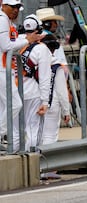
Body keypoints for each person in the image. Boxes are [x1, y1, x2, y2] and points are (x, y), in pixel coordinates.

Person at [0, 0, 44, 149]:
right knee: (15, 104)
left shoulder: (7, 21)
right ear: (3, 5)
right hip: (2, 69)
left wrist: (28, 39)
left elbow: (10, 42)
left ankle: (1, 137)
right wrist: (27, 40)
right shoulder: (2, 19)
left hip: (6, 69)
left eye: (18, 7)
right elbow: (6, 46)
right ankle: (1, 134)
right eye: (12, 6)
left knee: (5, 106)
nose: (16, 10)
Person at [14, 14, 52, 152]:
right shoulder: (42, 49)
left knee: (15, 133)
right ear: (40, 30)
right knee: (33, 130)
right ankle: (35, 166)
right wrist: (45, 101)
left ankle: (14, 166)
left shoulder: (14, 44)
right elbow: (44, 78)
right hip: (33, 94)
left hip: (13, 92)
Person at [40, 33, 70, 145]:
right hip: (53, 103)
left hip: (37, 103)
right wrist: (66, 111)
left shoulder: (35, 62)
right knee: (50, 136)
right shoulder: (57, 65)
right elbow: (62, 91)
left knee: (36, 134)